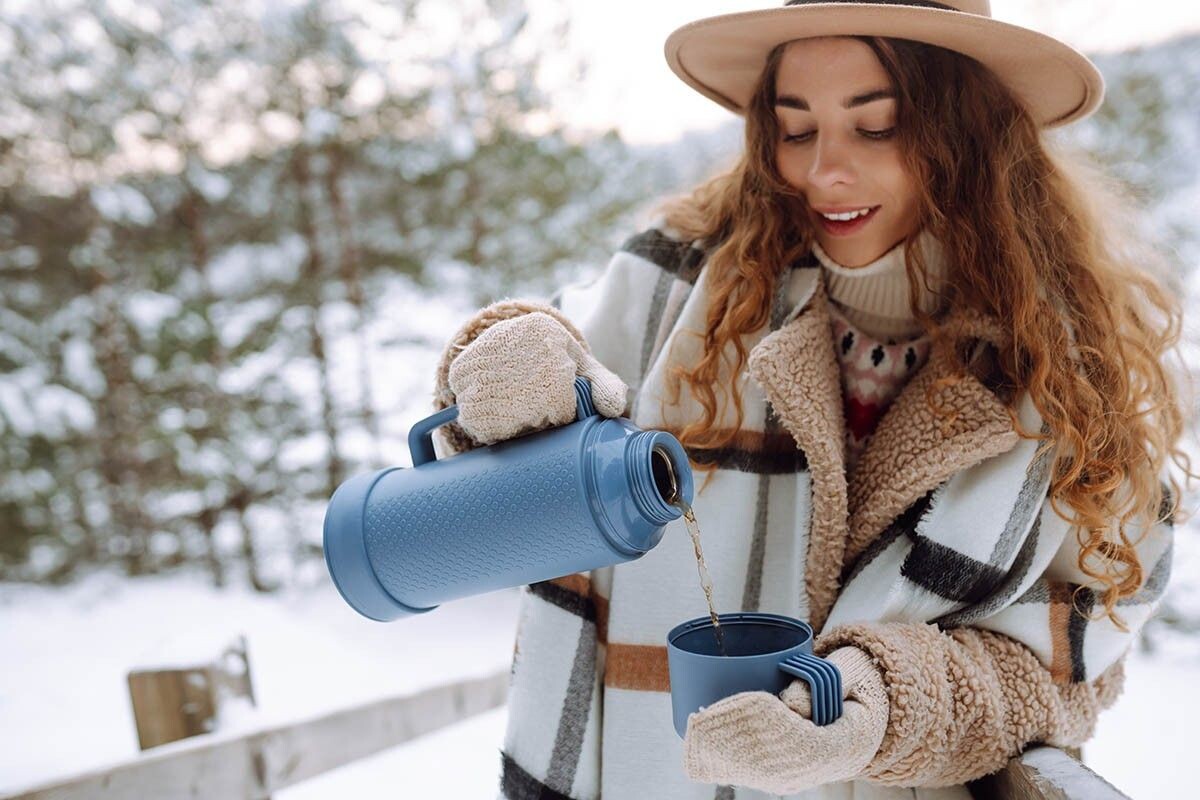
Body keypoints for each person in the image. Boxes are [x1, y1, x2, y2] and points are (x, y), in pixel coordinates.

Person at [430, 1, 1185, 797]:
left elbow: (1066, 669)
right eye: (796, 129)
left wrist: (885, 709)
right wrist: (507, 368)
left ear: (971, 134)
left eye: (878, 126)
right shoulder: (675, 288)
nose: (824, 170)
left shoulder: (1074, 363)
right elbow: (512, 437)